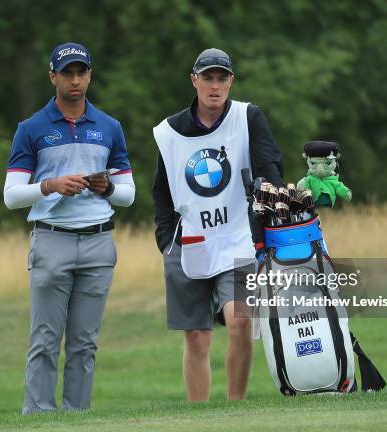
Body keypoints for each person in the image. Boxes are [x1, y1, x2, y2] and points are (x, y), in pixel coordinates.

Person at [3, 42, 135, 414]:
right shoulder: (31, 129)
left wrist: (106, 187)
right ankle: (40, 417)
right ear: (53, 77)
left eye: (81, 72)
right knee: (44, 340)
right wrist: (51, 185)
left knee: (84, 343)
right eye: (67, 73)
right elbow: (12, 196)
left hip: (98, 242)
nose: (75, 80)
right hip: (52, 240)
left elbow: (127, 195)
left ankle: (77, 417)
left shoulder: (109, 127)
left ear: (90, 75)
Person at [152, 48, 283, 401]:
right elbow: (161, 192)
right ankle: (200, 416)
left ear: (231, 81)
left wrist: (272, 207)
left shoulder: (247, 117)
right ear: (194, 81)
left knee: (242, 320)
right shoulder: (169, 132)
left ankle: (234, 408)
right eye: (207, 78)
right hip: (190, 242)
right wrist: (166, 239)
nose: (214, 86)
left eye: (221, 78)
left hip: (238, 238)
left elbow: (270, 168)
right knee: (197, 336)